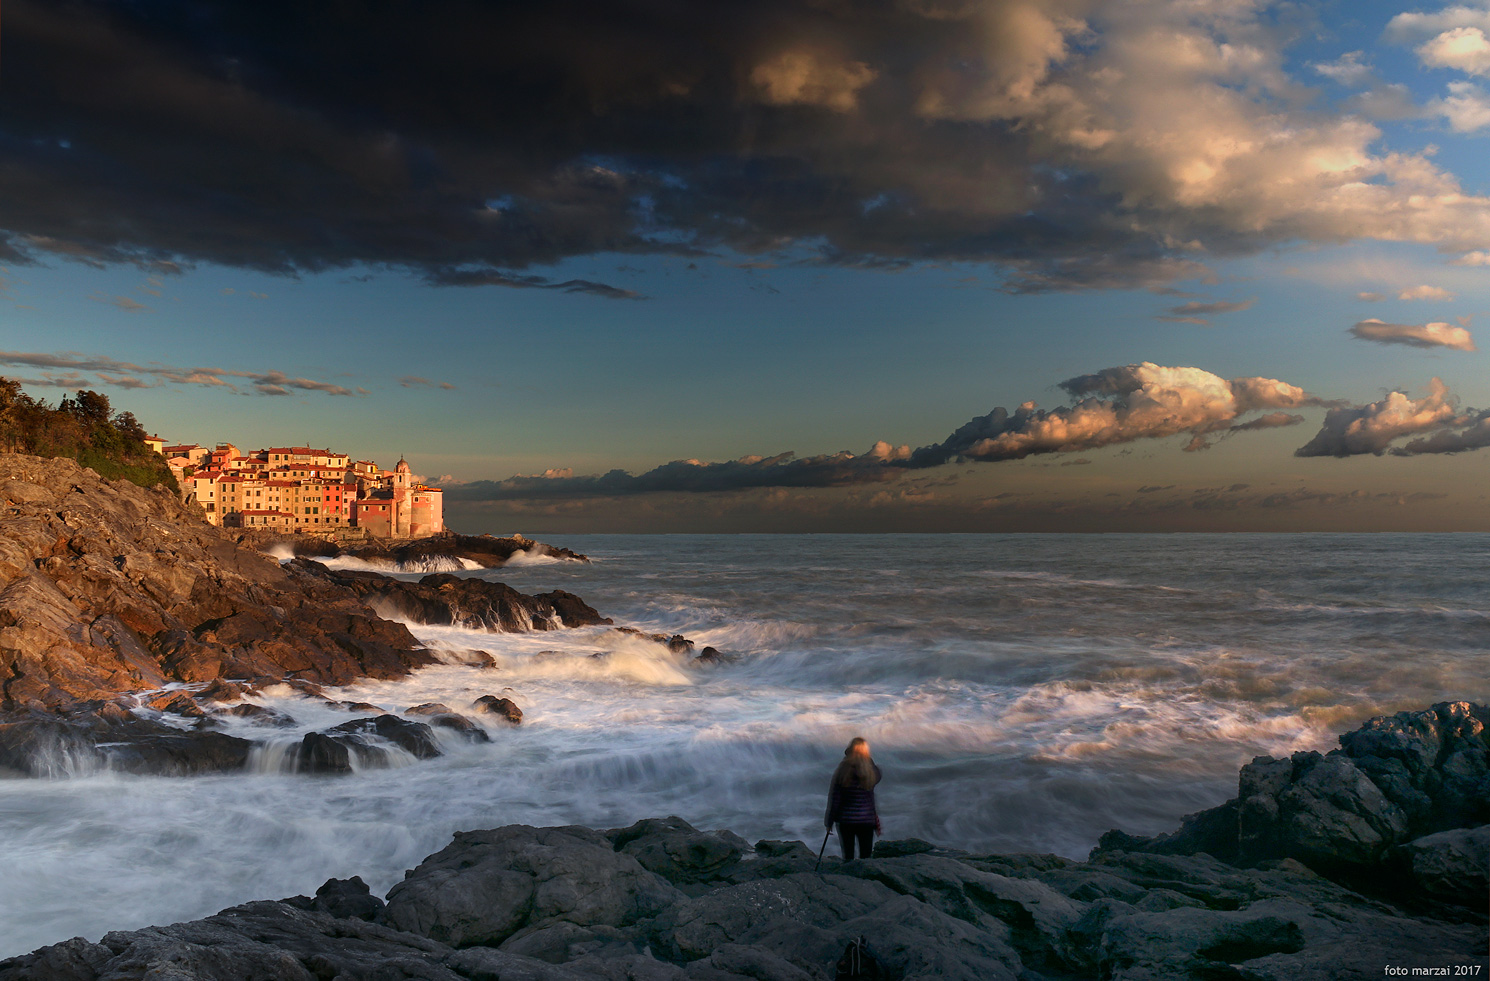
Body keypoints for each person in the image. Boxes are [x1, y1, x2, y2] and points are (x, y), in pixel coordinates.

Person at [824, 736, 882, 861]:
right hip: (866, 820)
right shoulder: (871, 772)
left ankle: (848, 878)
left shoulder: (842, 770)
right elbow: (879, 775)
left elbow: (835, 799)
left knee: (848, 855)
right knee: (866, 856)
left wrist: (829, 822)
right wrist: (867, 759)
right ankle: (865, 879)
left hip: (846, 821)